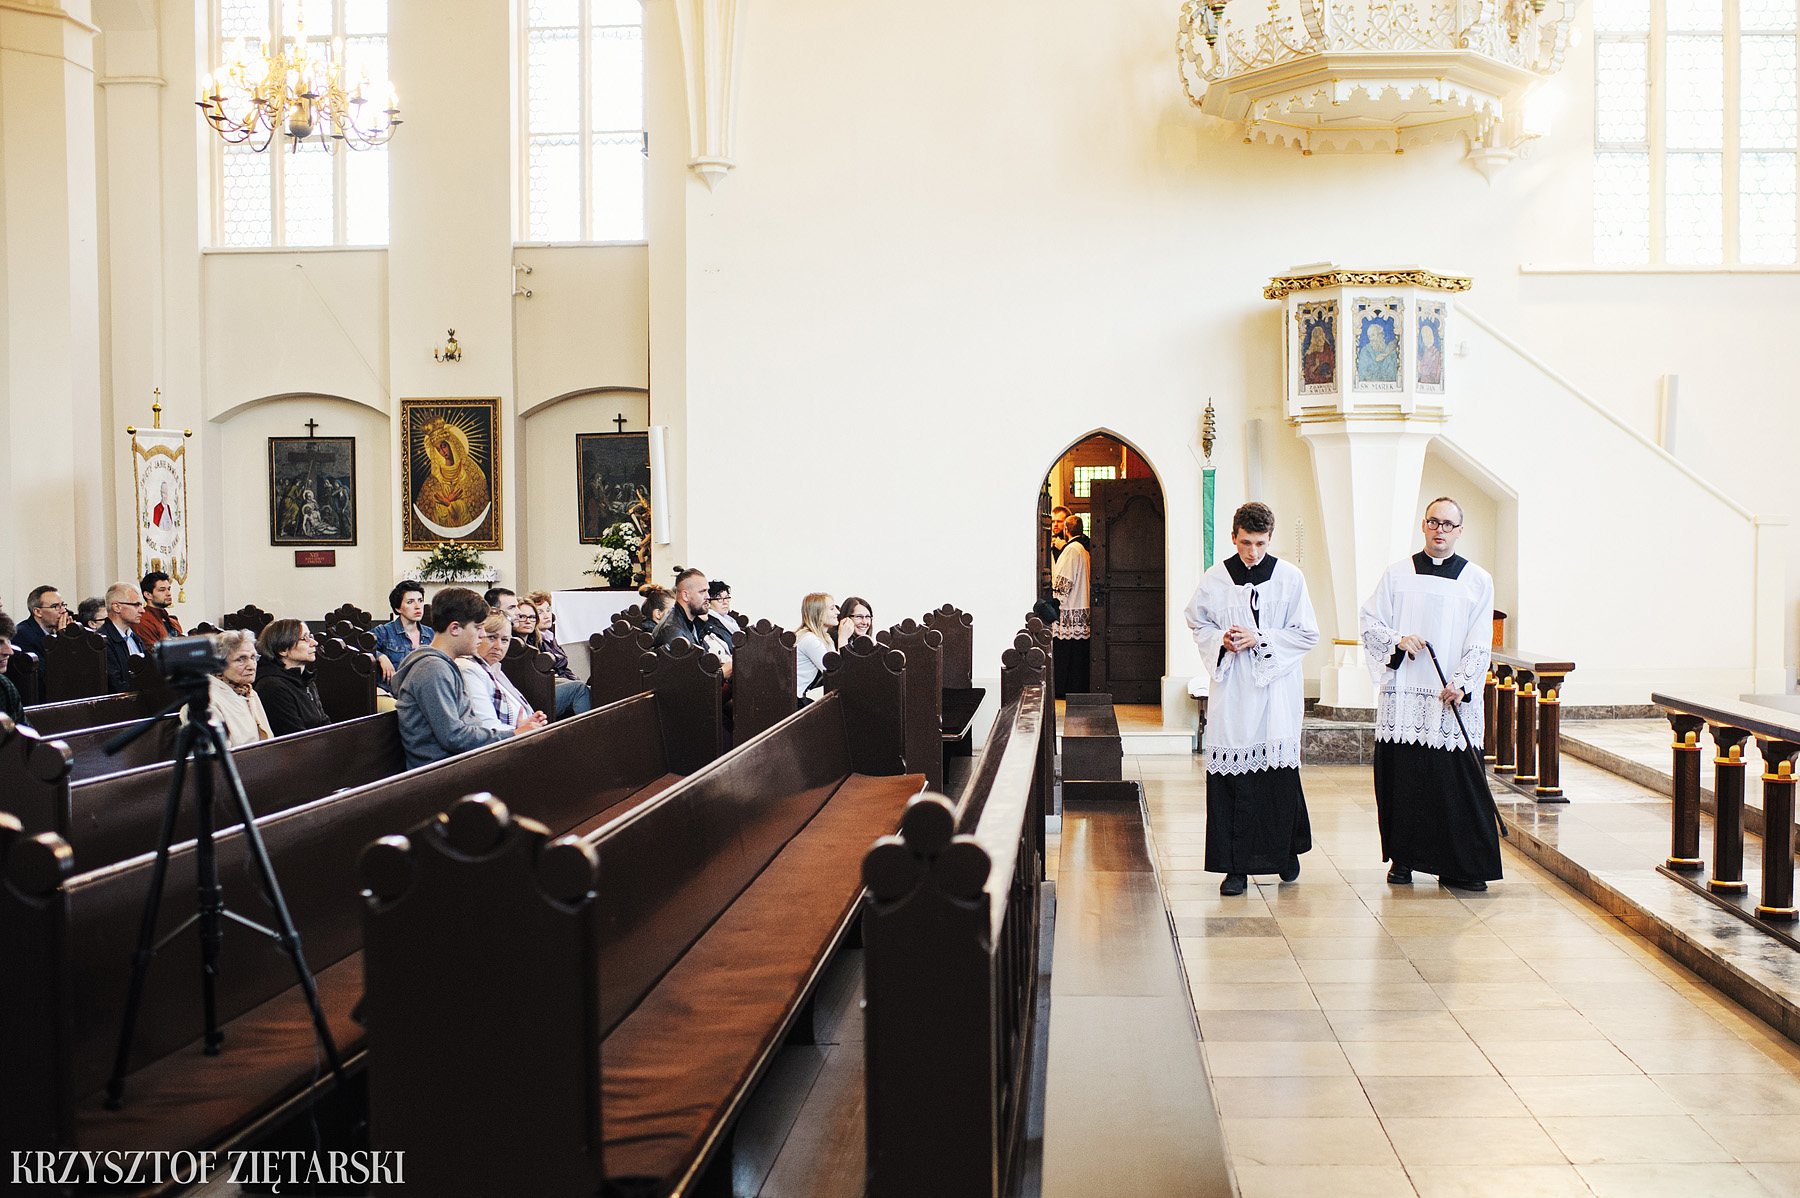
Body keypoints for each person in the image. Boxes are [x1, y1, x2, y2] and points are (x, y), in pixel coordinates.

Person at [1359, 496, 1501, 892]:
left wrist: (1463, 681)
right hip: (1405, 697)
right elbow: (1370, 622)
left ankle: (1459, 864)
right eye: (1433, 522)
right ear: (1424, 526)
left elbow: (1479, 639)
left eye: (1448, 525)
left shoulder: (1477, 580)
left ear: (1460, 530)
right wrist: (1398, 640)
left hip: (1449, 696)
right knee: (1404, 782)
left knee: (1454, 786)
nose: (1440, 530)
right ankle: (1402, 862)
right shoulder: (1397, 574)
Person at [1184, 501, 1320, 896]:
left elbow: (1306, 633)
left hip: (1276, 690)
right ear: (1233, 537)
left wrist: (1260, 638)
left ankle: (1284, 853)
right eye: (1245, 543)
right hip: (1235, 688)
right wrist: (1221, 641)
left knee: (1278, 774)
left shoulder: (1290, 578)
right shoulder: (1215, 578)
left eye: (1260, 543)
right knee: (1234, 777)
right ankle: (1235, 867)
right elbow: (1197, 620)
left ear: (1270, 539)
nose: (1253, 552)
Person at [391, 587, 545, 769]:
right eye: (478, 628)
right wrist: (514, 735)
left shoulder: (444, 664)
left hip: (461, 762)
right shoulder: (432, 668)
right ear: (455, 628)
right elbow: (454, 737)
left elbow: (467, 725)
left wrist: (514, 731)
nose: (482, 635)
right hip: (440, 772)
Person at [459, 612, 541, 733]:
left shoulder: (493, 668)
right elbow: (486, 725)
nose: (498, 646)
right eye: (492, 637)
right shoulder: (468, 669)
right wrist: (520, 730)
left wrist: (524, 724)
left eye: (504, 640)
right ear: (478, 636)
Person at [512, 599, 590, 717]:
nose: (528, 621)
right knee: (579, 689)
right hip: (527, 699)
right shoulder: (510, 645)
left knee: (587, 689)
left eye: (532, 617)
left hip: (542, 689)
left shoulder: (537, 641)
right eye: (522, 617)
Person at [253, 619, 331, 736]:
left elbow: (324, 723)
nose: (314, 643)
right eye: (305, 638)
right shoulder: (272, 687)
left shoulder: (305, 679)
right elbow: (296, 739)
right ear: (282, 649)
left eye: (311, 636)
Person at [653, 569, 734, 675]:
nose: (708, 597)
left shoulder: (691, 621)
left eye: (707, 591)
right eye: (702, 592)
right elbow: (686, 681)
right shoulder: (673, 631)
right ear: (685, 596)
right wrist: (722, 674)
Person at [200, 629, 274, 747]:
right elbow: (217, 760)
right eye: (241, 659)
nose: (251, 666)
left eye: (253, 657)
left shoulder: (249, 692)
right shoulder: (207, 701)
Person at [1051, 515, 1091, 697]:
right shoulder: (1081, 549)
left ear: (1066, 530)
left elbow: (1063, 582)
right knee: (1077, 656)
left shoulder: (1071, 550)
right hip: (1080, 606)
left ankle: (1063, 691)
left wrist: (1056, 605)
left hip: (1069, 609)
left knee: (1067, 656)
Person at [794, 593, 853, 703]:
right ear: (819, 614)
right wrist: (843, 638)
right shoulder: (810, 640)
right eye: (832, 608)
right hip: (794, 701)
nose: (838, 612)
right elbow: (836, 674)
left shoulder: (825, 638)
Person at [373, 581, 435, 682]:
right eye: (410, 602)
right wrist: (380, 656)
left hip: (422, 691)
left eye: (420, 600)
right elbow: (358, 648)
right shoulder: (384, 632)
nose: (417, 606)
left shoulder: (430, 633)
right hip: (393, 693)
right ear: (398, 608)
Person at [14, 587, 68, 687]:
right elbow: (46, 676)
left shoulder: (55, 631)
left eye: (63, 605)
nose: (63, 611)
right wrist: (62, 639)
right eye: (55, 606)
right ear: (37, 612)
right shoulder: (23, 634)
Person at [101, 582, 148, 693]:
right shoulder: (102, 640)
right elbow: (116, 685)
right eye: (136, 605)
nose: (142, 610)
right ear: (117, 607)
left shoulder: (134, 637)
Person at [135, 570, 184, 647]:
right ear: (148, 594)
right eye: (162, 590)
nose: (168, 593)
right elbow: (153, 654)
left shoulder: (173, 622)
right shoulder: (142, 621)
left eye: (169, 589)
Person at [0, 614, 29, 727]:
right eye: (0, 643)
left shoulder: (4, 686)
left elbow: (26, 738)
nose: (9, 652)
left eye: (9, 641)